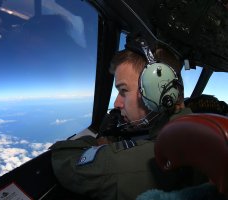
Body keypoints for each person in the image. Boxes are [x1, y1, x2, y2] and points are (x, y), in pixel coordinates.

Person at [50, 42, 207, 200]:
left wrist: (98, 144)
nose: (117, 103)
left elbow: (62, 158)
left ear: (156, 92)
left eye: (123, 90)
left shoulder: (150, 160)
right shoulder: (193, 128)